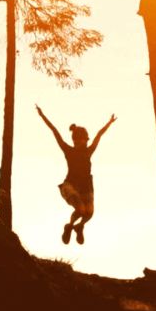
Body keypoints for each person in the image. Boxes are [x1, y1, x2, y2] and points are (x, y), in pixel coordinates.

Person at [36, 105, 115, 245]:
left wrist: (109, 123)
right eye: (78, 141)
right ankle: (69, 226)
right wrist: (42, 116)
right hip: (71, 185)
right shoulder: (68, 151)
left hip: (86, 186)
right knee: (81, 209)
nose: (81, 143)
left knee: (89, 213)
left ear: (86, 140)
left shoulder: (89, 151)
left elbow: (99, 135)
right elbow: (55, 132)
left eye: (83, 140)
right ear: (74, 141)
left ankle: (79, 227)